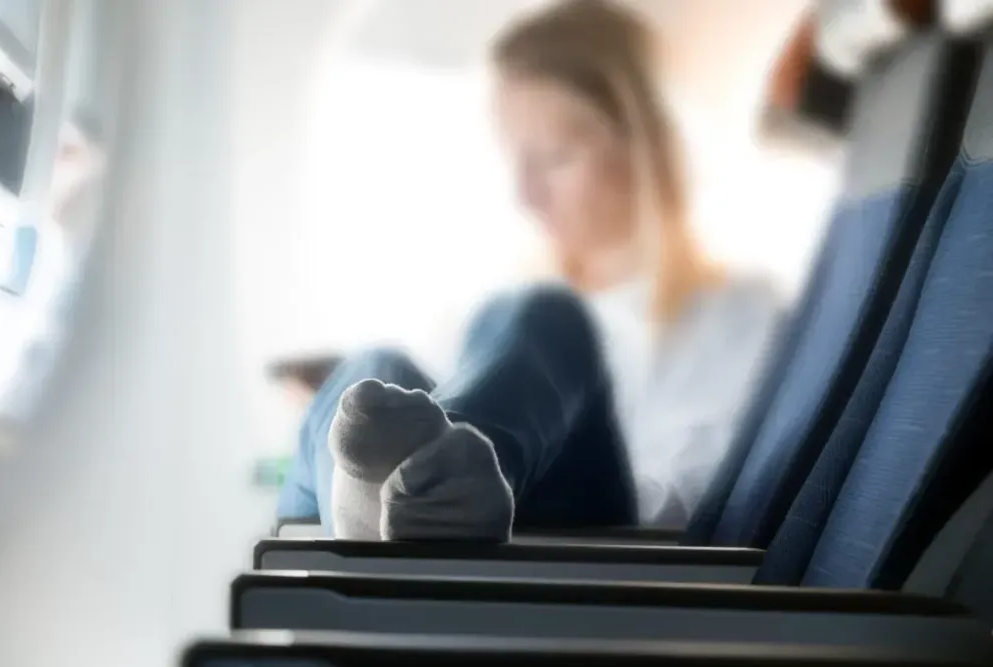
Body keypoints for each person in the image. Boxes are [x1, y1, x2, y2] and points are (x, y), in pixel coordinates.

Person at [277, 0, 783, 541]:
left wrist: (524, 475)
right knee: (373, 370)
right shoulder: (493, 304)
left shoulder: (736, 312)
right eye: (515, 159)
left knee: (545, 319)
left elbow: (688, 498)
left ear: (645, 146)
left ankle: (450, 480)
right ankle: (374, 507)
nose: (525, 194)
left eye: (555, 156)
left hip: (581, 536)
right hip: (444, 525)